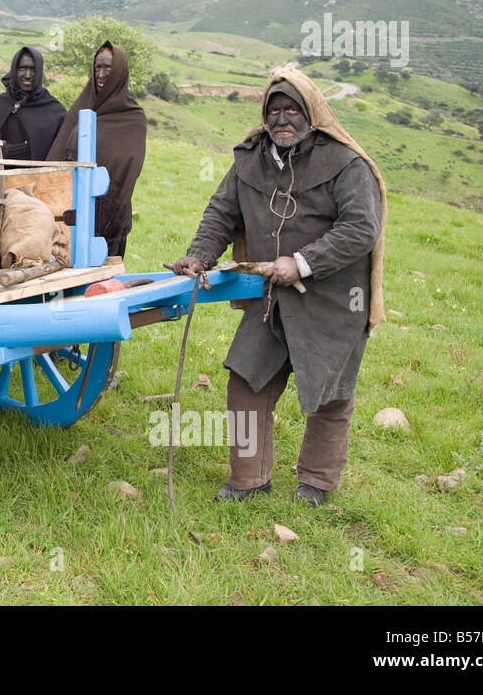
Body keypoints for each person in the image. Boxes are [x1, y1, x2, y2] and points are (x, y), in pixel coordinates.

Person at [170, 66, 386, 507]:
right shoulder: (250, 158)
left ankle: (317, 483)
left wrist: (303, 263)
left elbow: (362, 228)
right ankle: (249, 480)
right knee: (247, 381)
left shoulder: (346, 164)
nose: (283, 119)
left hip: (334, 300)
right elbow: (221, 213)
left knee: (330, 394)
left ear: (311, 114)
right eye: (275, 111)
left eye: (293, 110)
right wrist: (200, 256)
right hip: (270, 298)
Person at [47, 41, 147, 256]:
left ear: (119, 72)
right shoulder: (80, 108)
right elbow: (56, 158)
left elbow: (128, 171)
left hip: (110, 220)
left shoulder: (133, 118)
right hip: (69, 215)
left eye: (108, 68)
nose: (101, 74)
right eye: (97, 68)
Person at [0, 45, 66, 161]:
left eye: (33, 69)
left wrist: (11, 151)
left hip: (40, 178)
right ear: (14, 71)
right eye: (23, 69)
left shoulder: (55, 111)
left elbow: (58, 151)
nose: (28, 75)